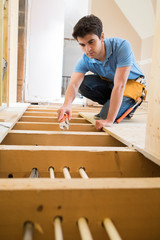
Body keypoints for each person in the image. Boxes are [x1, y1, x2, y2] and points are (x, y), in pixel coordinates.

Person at [57, 14, 146, 130]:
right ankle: (114, 104)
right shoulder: (85, 60)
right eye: (82, 45)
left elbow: (120, 86)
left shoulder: (121, 47)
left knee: (104, 116)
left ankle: (127, 107)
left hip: (132, 85)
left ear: (102, 37)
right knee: (83, 84)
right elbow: (74, 84)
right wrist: (66, 104)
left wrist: (109, 120)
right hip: (112, 84)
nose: (87, 49)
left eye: (91, 42)